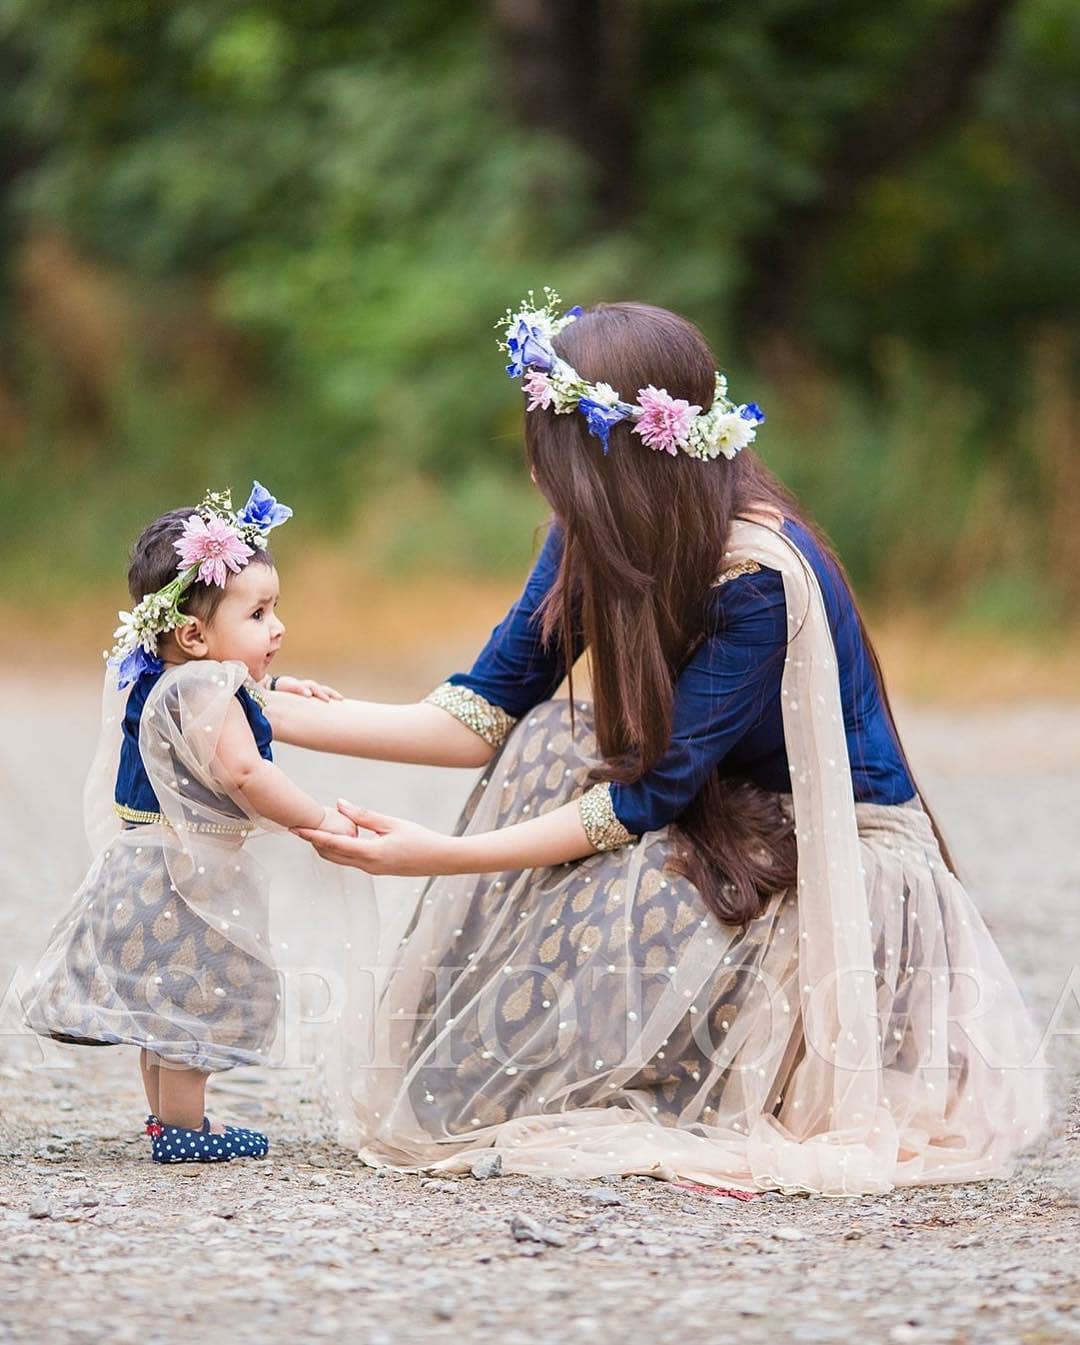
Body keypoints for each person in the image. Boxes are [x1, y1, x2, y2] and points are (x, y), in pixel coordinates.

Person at [272, 295, 1049, 1195]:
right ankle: (523, 1065)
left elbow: (646, 799)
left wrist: (438, 856)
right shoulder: (596, 531)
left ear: (603, 459)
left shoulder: (760, 576)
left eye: (549, 454)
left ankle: (638, 1069)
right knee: (544, 749)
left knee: (609, 830)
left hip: (841, 857)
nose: (537, 478)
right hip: (726, 814)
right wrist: (260, 712)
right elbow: (479, 713)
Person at [24, 483, 360, 1164]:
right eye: (260, 613)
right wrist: (316, 818)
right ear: (194, 633)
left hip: (141, 867)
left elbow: (219, 707)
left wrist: (276, 688)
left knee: (162, 1009)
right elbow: (243, 771)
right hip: (186, 881)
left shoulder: (161, 676)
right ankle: (185, 1128)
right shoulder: (208, 687)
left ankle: (165, 1119)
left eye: (276, 610)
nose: (279, 627)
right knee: (192, 1005)